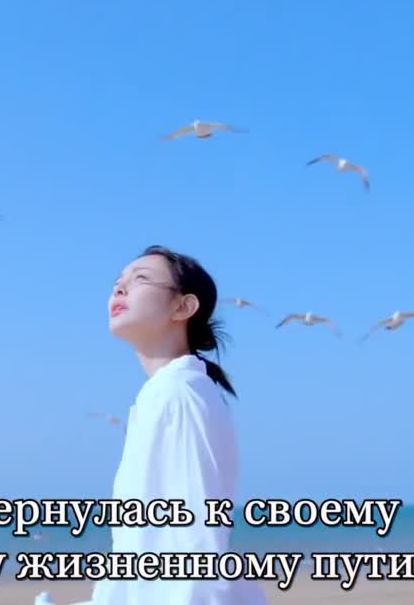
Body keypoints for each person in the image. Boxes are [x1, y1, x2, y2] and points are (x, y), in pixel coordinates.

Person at [67, 245, 268, 605]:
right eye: (117, 283)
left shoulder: (179, 394)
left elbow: (197, 546)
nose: (120, 288)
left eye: (140, 279)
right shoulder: (166, 393)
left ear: (183, 307)